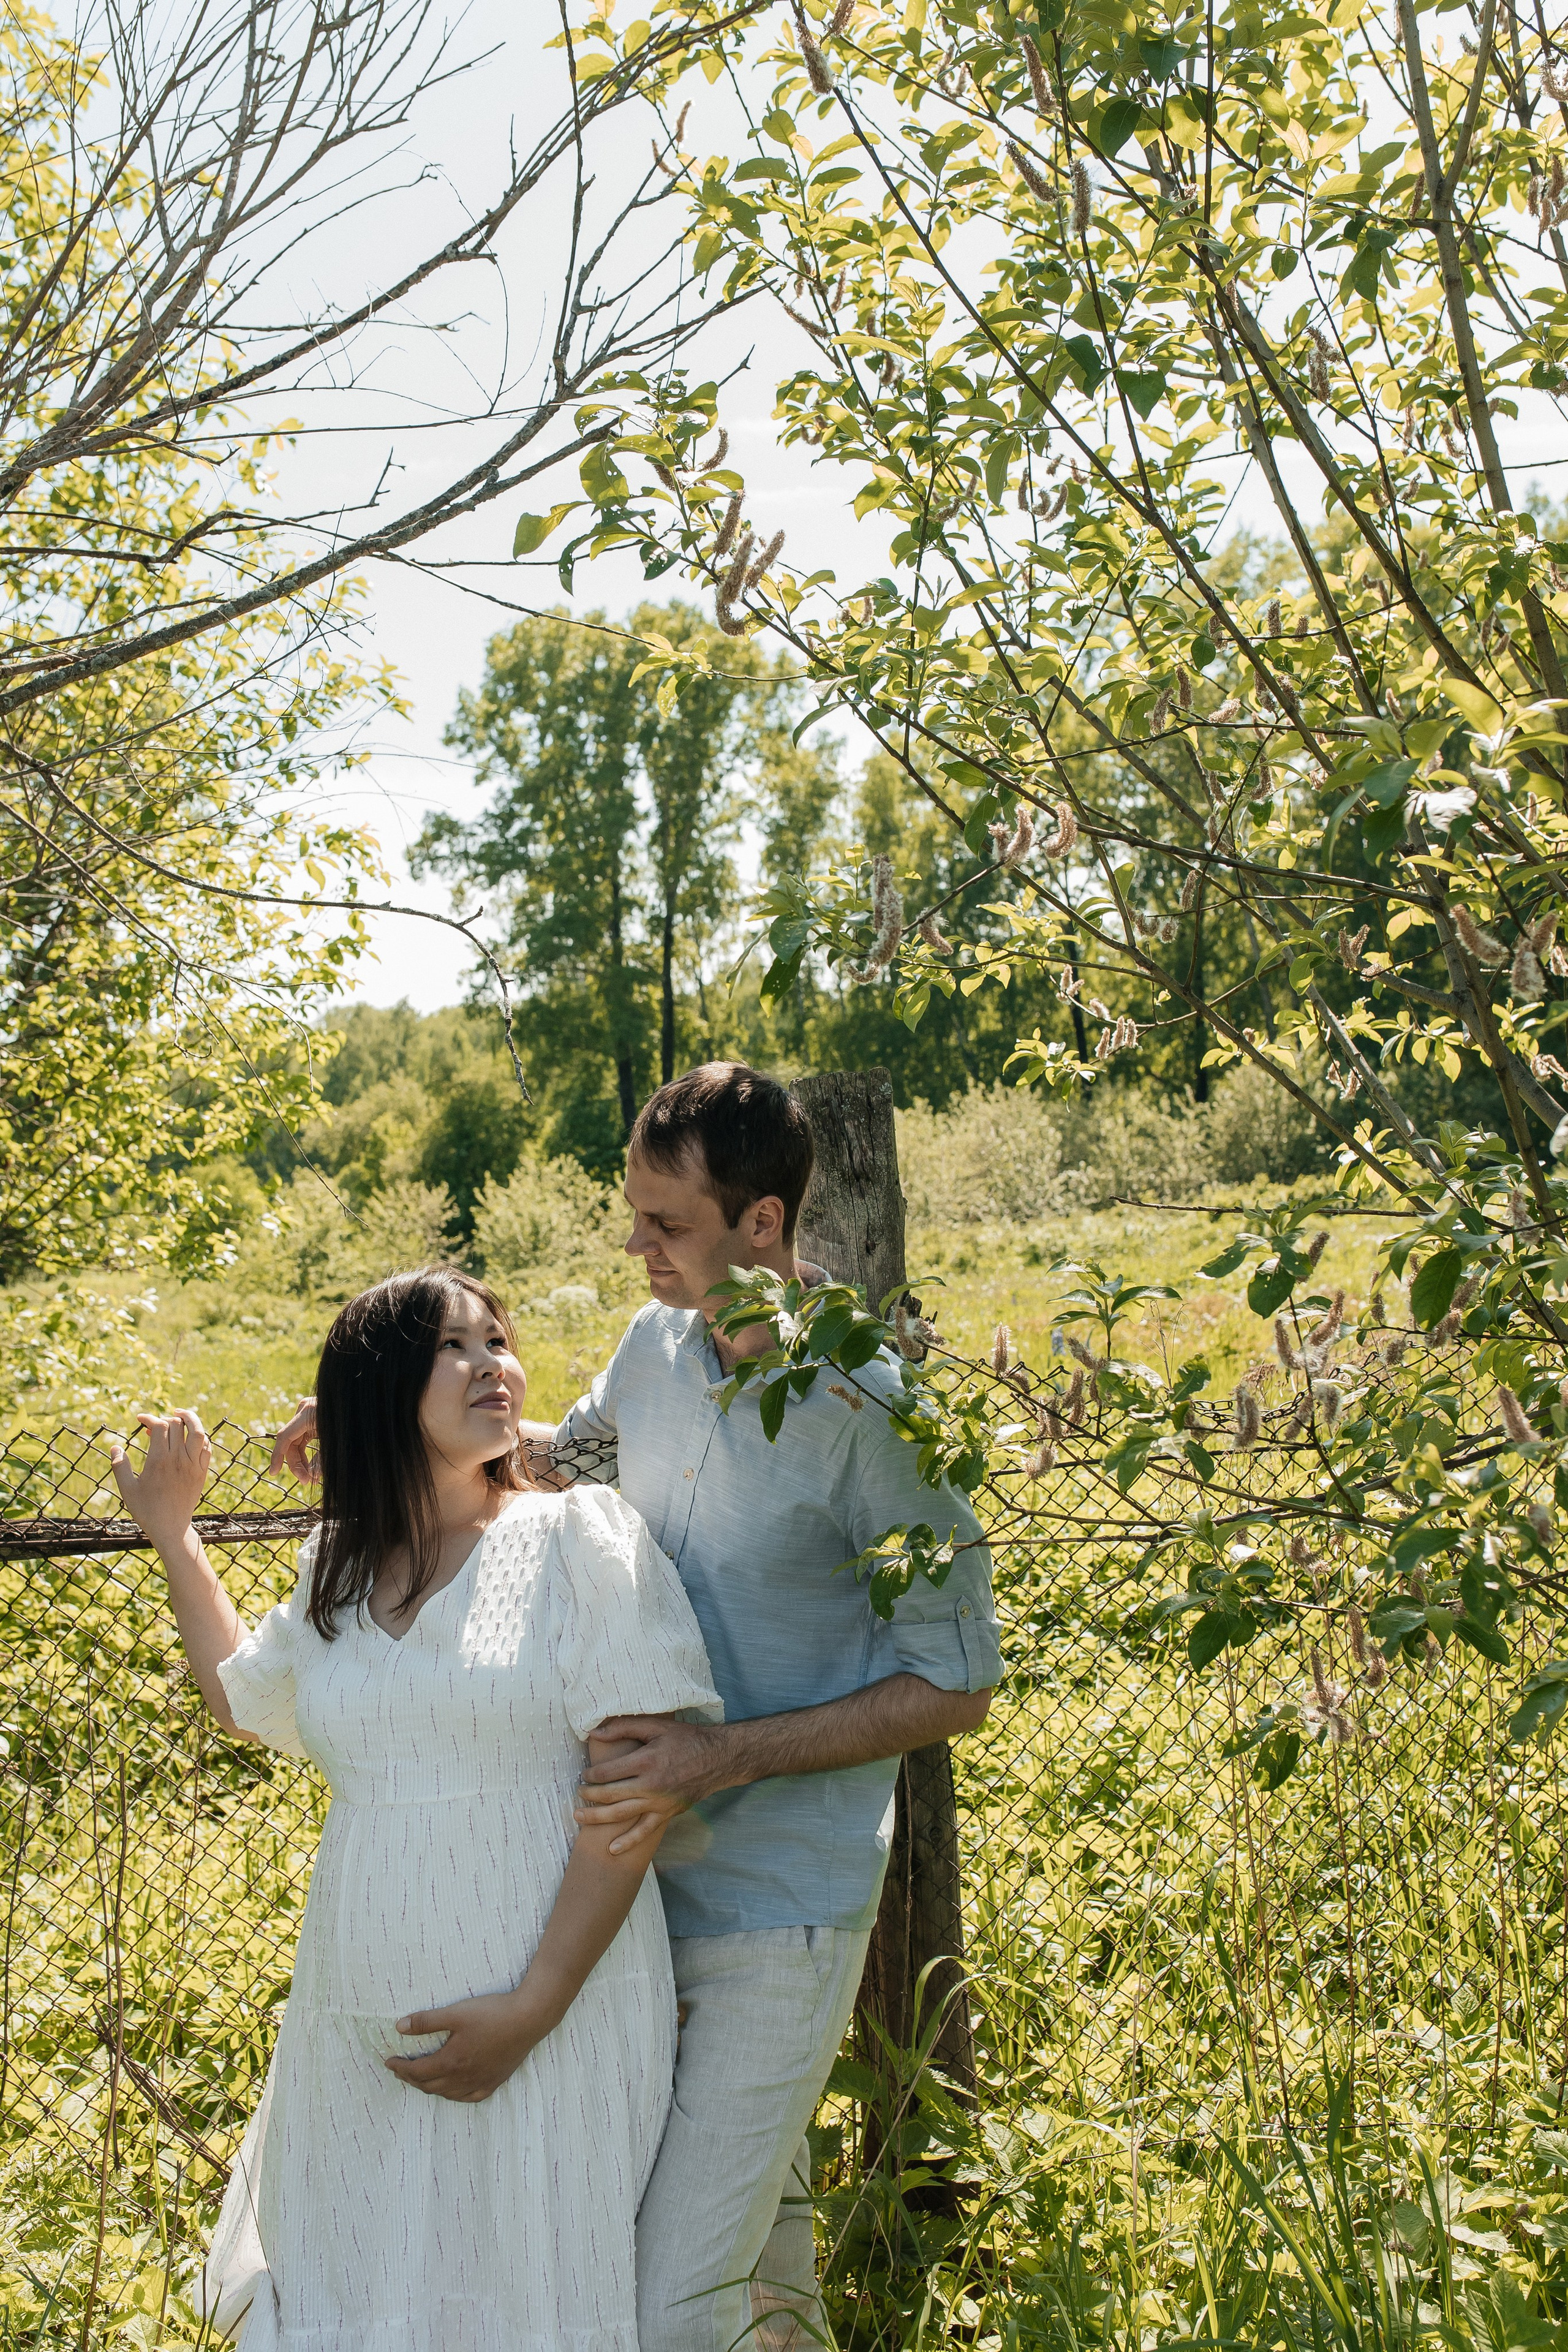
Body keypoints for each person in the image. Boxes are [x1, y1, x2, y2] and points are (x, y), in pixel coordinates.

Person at [274, 1063, 1002, 2352]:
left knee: (667, 2312)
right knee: (759, 2279)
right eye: (635, 1213)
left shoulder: (871, 1415)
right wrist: (379, 1429)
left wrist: (716, 1756)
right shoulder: (650, 1349)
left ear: (762, 1227)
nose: (635, 1244)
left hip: (781, 1910)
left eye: (666, 1224)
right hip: (642, 1904)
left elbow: (957, 1686)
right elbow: (563, 1463)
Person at [115, 1268, 720, 2352]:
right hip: (356, 2032)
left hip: (556, 2020)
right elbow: (246, 1701)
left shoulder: (578, 1539)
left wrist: (531, 2009)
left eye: (499, 1341)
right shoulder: (337, 1569)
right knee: (364, 2296)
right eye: (456, 1348)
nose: (493, 1364)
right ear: (383, 1386)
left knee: (536, 2299)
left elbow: (636, 1792)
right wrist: (172, 1525)